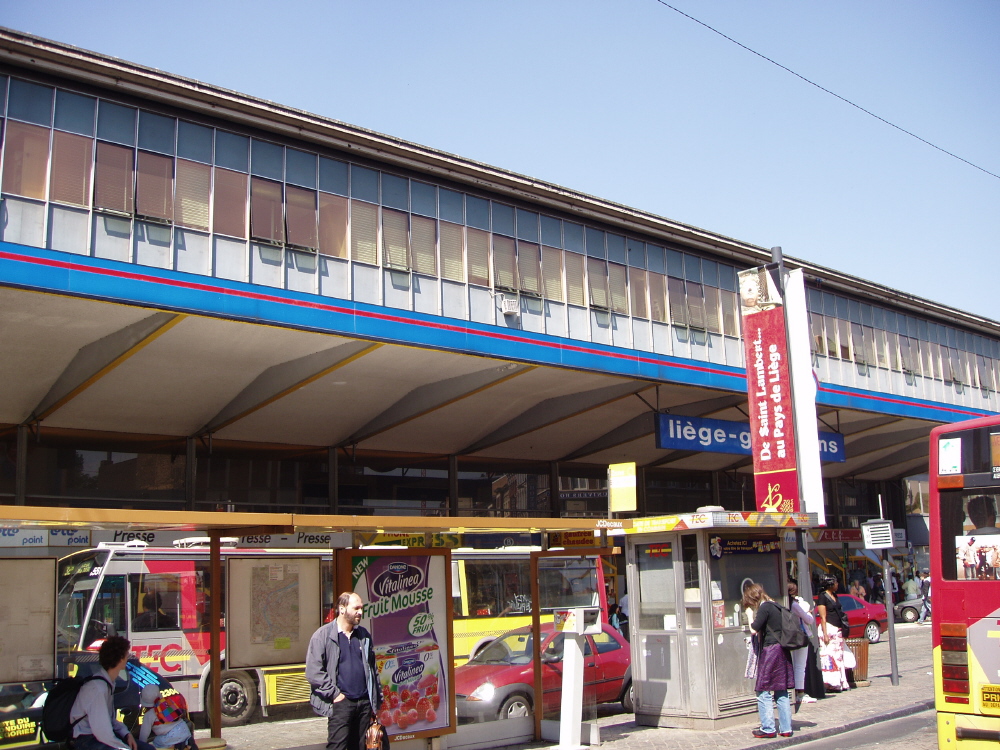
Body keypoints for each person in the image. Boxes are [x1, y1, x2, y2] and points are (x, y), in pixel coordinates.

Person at [306, 591, 383, 750]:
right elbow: (314, 672)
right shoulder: (323, 635)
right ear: (342, 609)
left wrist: (376, 701)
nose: (360, 612)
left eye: (361, 608)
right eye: (356, 608)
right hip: (341, 703)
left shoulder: (363, 635)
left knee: (360, 746)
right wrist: (335, 694)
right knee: (338, 746)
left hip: (363, 703)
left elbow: (372, 669)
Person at [69, 635, 155, 750]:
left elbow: (109, 721)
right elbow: (102, 732)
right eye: (126, 655)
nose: (127, 658)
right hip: (86, 739)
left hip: (98, 736)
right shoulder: (98, 688)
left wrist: (126, 734)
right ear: (120, 658)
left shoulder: (107, 683)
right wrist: (123, 748)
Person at [743, 583, 794, 738]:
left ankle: (768, 728)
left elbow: (754, 629)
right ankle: (786, 728)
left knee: (763, 689)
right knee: (781, 689)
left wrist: (749, 615)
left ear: (753, 599)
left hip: (771, 650)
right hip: (782, 650)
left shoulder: (765, 607)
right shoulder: (776, 606)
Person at [786, 580, 818, 710]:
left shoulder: (784, 604)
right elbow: (808, 619)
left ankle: (791, 692)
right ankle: (800, 693)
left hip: (787, 637)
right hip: (799, 637)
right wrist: (810, 611)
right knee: (800, 666)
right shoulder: (795, 605)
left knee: (791, 665)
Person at [815, 576, 850, 692]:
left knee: (839, 656)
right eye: (835, 583)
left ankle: (842, 681)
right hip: (829, 629)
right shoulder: (822, 597)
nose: (837, 584)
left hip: (837, 629)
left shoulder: (835, 595)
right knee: (830, 656)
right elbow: (823, 617)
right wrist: (825, 634)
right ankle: (832, 682)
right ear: (830, 584)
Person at [138, 684, 197, 750]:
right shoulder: (167, 703)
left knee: (156, 741)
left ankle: (177, 745)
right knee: (178, 736)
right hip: (184, 729)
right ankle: (186, 742)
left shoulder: (149, 714)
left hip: (172, 736)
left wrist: (141, 745)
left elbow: (144, 733)